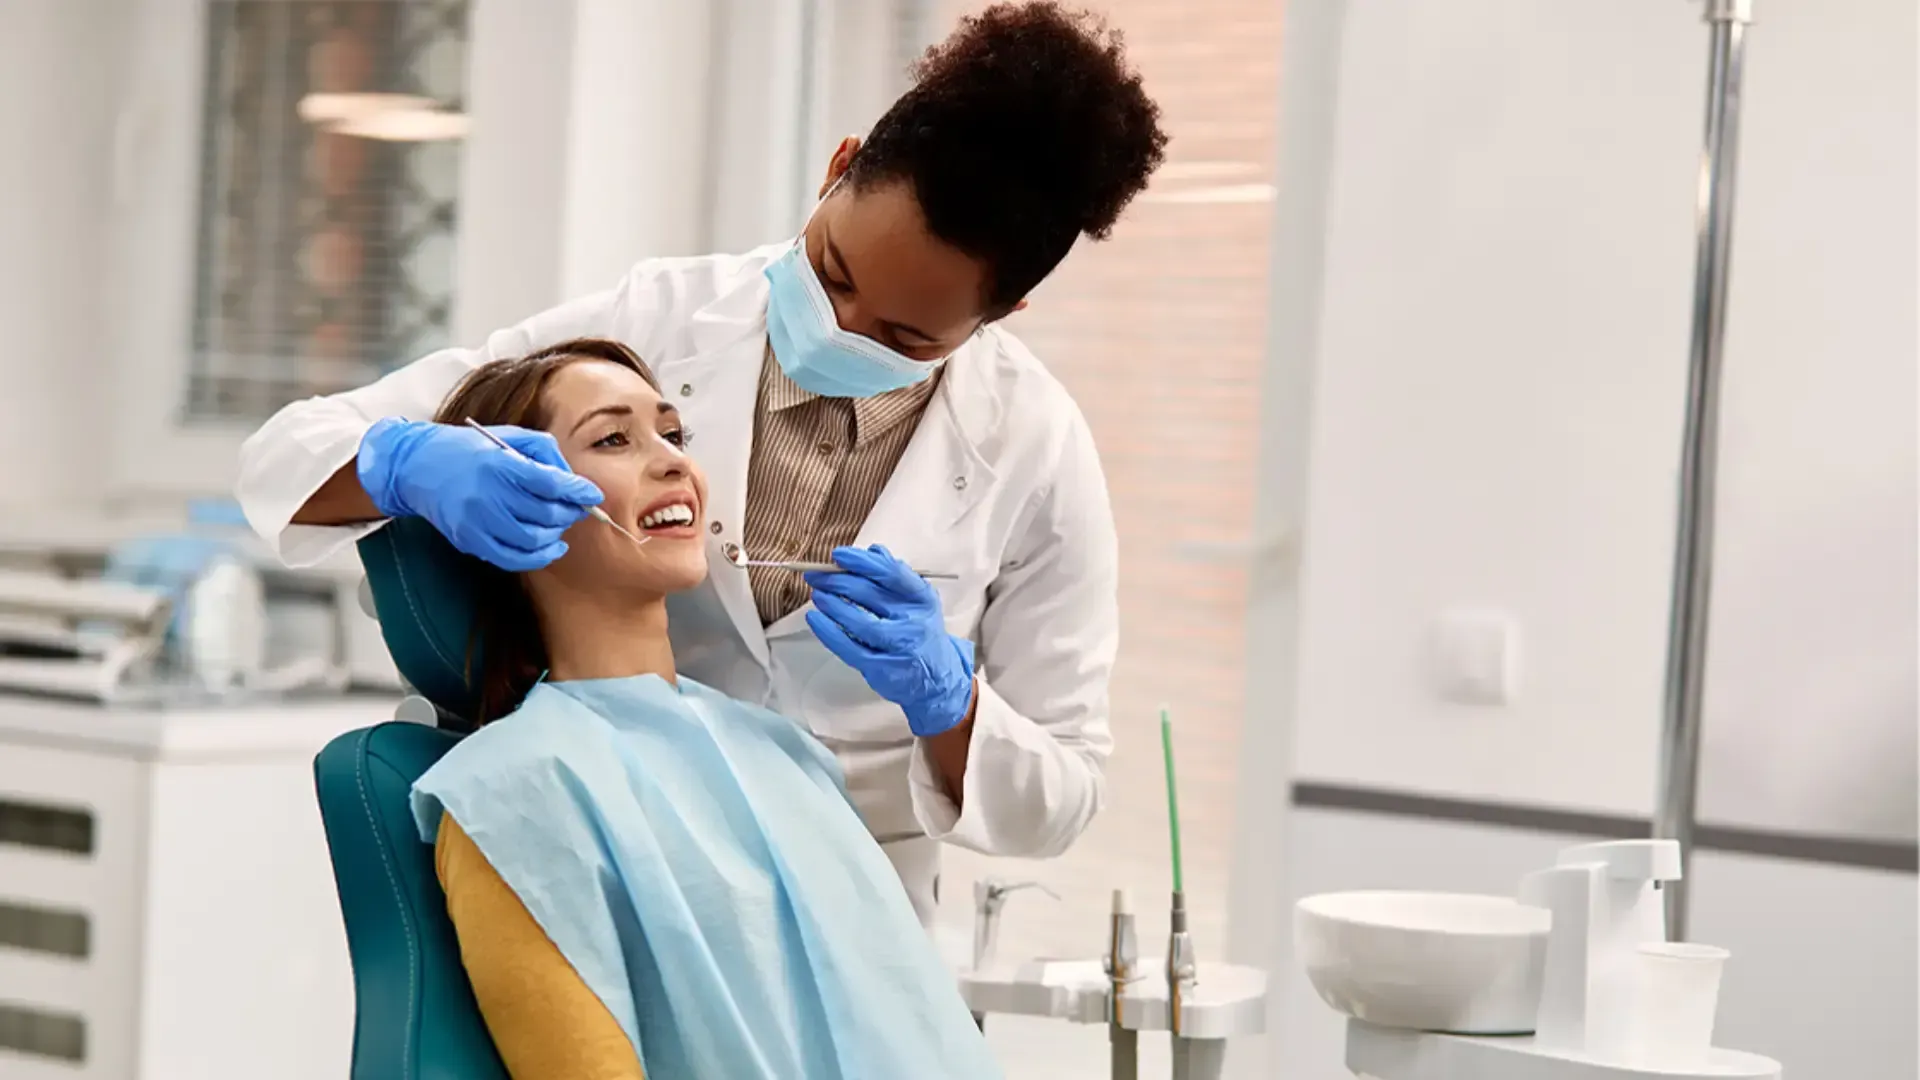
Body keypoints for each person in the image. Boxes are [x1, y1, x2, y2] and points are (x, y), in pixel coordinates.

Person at [238, 2, 1170, 924]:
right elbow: (286, 454)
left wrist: (949, 701)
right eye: (834, 274)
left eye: (902, 334)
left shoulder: (1036, 448)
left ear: (996, 317)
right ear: (837, 169)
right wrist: (408, 463)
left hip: (852, 915)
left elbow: (1066, 790)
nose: (840, 329)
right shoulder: (659, 320)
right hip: (620, 858)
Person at [414, 338, 1002, 1079]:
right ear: (509, 507)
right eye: (613, 439)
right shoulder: (512, 791)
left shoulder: (784, 753)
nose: (674, 462)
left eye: (673, 433)